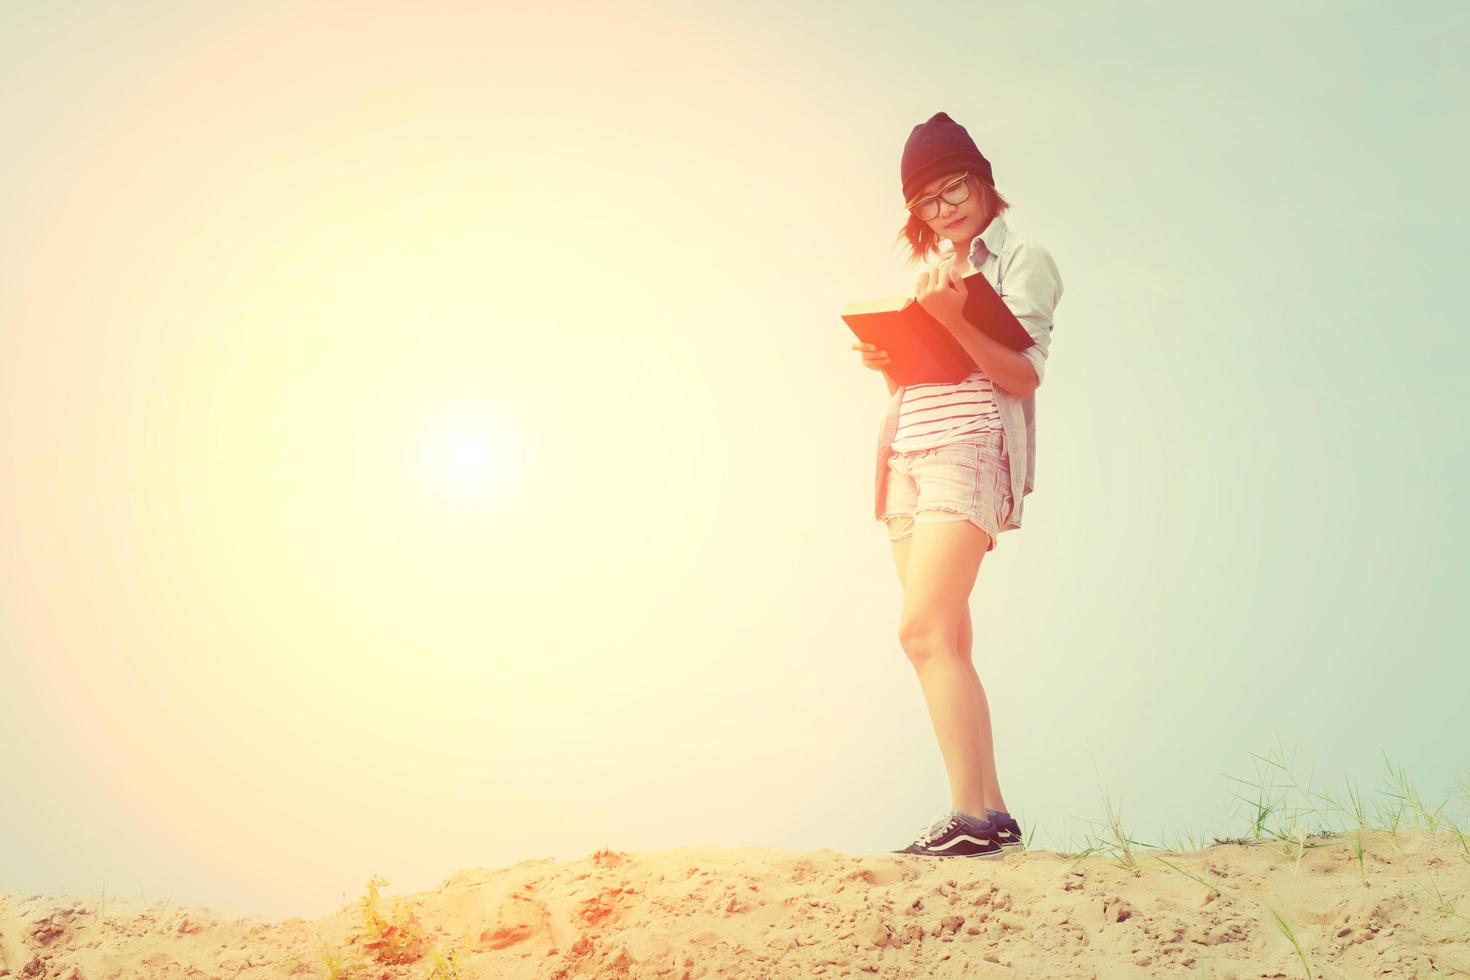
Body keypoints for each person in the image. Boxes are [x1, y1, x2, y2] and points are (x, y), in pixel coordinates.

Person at [851, 111, 1064, 859]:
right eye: (929, 202)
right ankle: (992, 813)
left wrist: (954, 315)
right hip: (906, 451)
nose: (946, 209)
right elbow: (929, 374)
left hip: (967, 450)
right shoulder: (926, 273)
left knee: (921, 631)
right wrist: (888, 358)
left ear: (983, 181)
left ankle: (968, 818)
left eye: (955, 188)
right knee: (948, 639)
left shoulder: (1022, 260)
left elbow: (1021, 373)